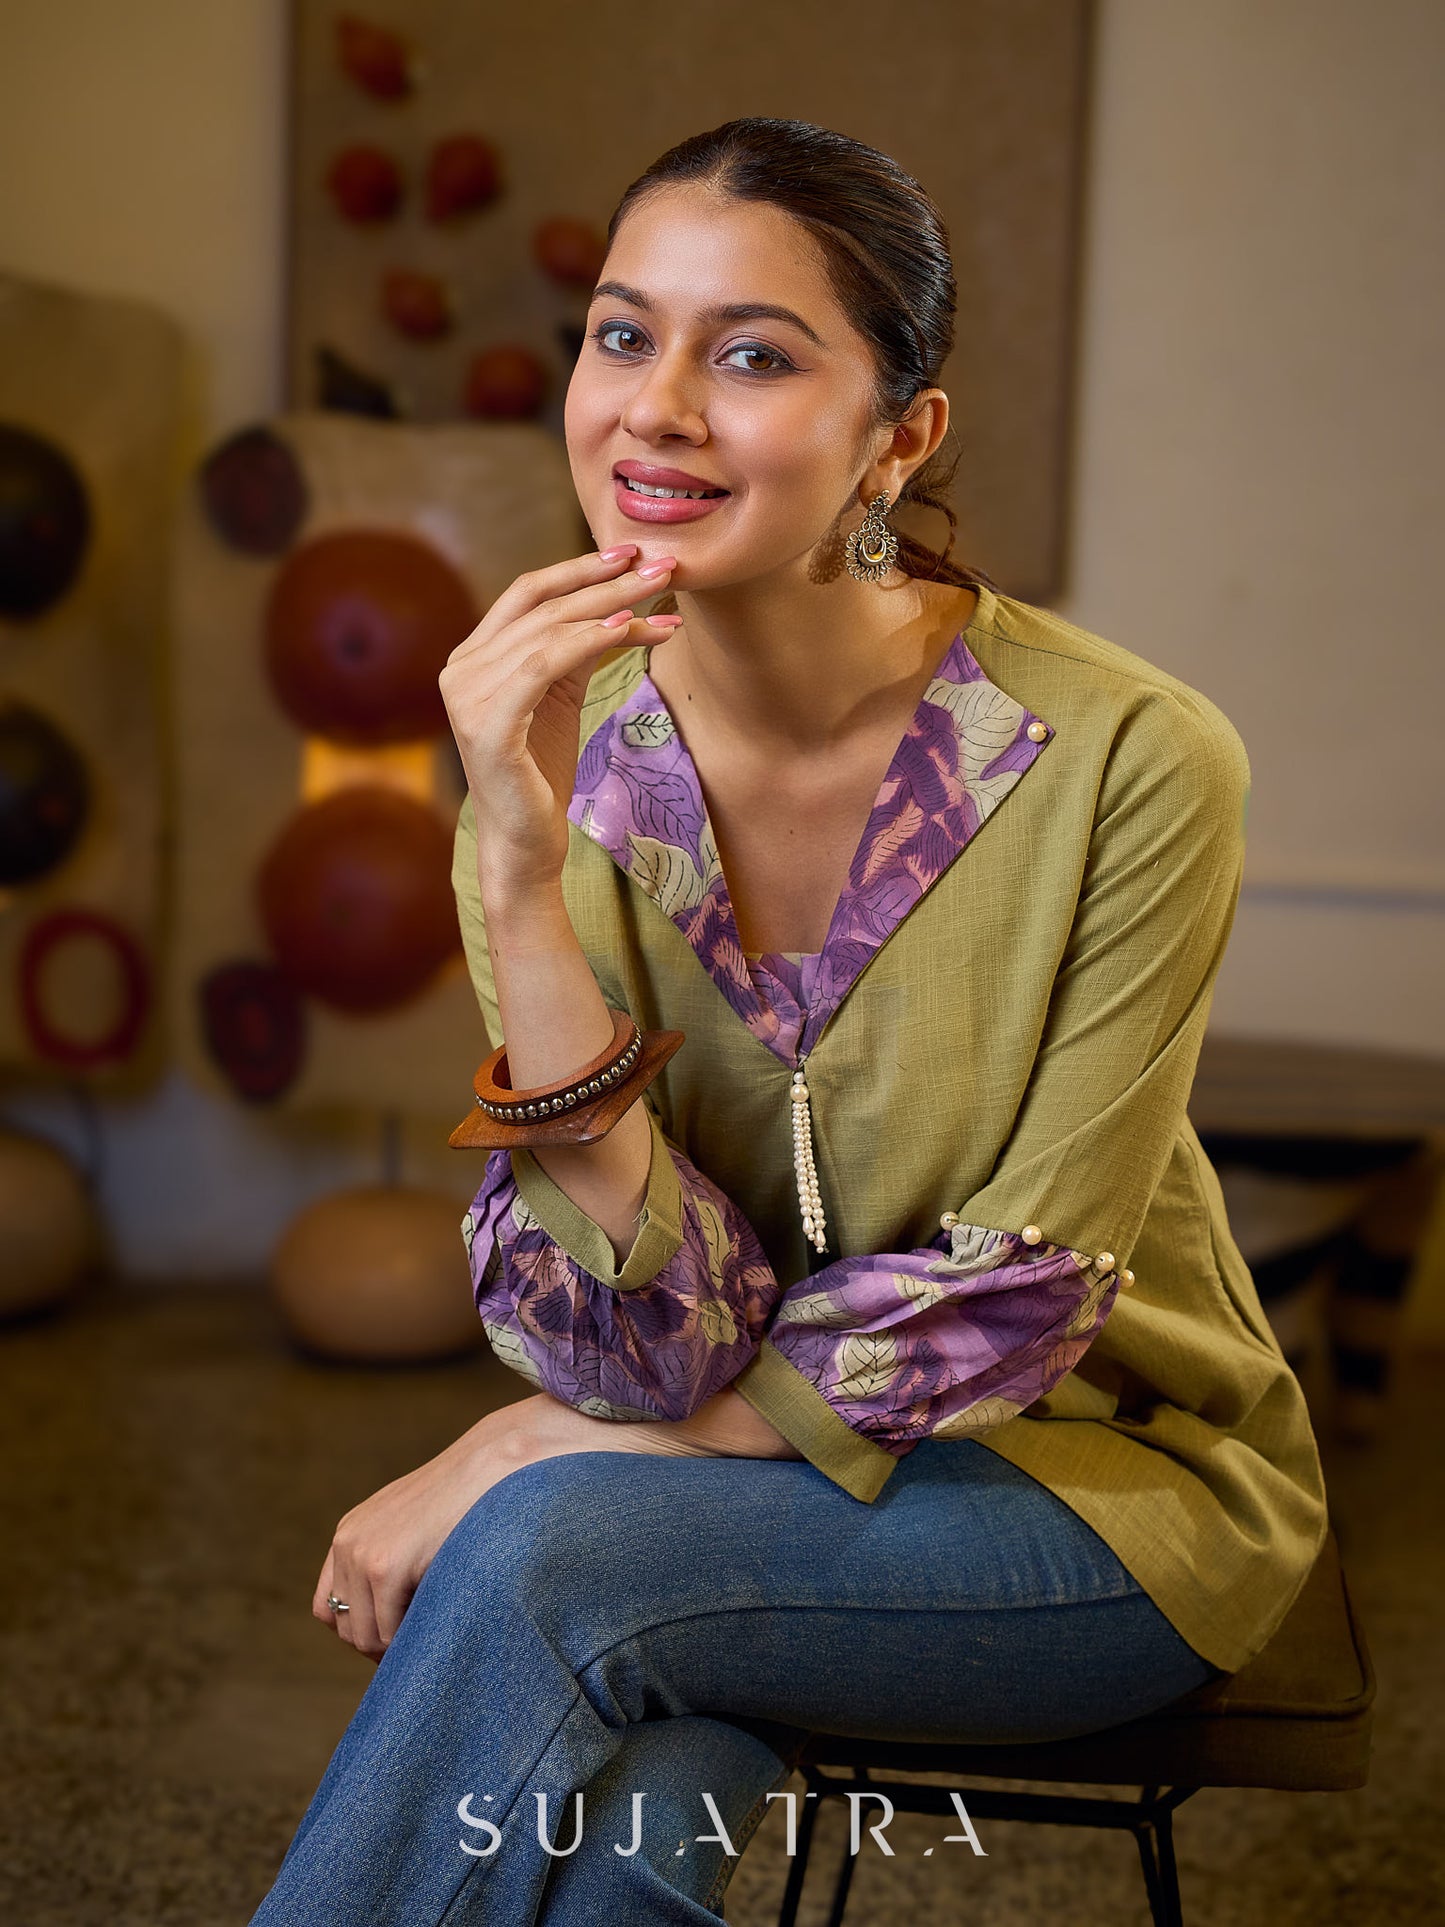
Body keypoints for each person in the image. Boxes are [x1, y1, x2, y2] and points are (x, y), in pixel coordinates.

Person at [250, 118, 1328, 1926]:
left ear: (895, 438)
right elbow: (631, 1338)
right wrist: (518, 874)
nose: (655, 407)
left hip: (1098, 1499)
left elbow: (1012, 1302)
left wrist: (534, 1447)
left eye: (751, 353)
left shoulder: (1132, 763)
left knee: (539, 1552)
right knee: (616, 1842)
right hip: (758, 1508)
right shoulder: (552, 784)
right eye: (620, 334)